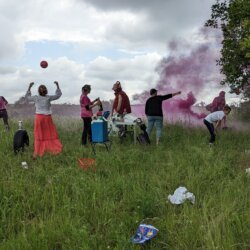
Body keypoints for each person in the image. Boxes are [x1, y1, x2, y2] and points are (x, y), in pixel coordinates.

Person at [25, 81, 62, 158]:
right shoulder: (48, 97)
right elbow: (58, 95)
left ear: (38, 91)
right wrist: (57, 85)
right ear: (46, 90)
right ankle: (49, 149)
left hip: (39, 118)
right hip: (47, 118)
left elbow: (27, 98)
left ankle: (38, 151)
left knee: (39, 134)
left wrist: (29, 87)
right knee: (49, 134)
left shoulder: (36, 97)